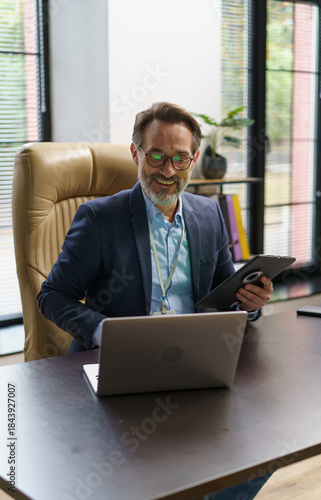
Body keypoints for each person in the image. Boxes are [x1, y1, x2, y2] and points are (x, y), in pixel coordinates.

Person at [38, 102, 273, 498]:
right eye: (157, 156)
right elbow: (53, 296)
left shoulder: (209, 215)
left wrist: (248, 302)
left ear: (193, 160)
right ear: (136, 154)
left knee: (264, 446)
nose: (168, 171)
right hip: (122, 370)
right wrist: (102, 330)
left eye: (180, 159)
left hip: (196, 364)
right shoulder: (100, 219)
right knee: (155, 465)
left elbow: (223, 295)